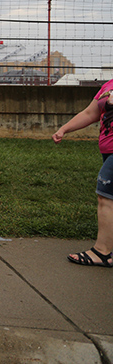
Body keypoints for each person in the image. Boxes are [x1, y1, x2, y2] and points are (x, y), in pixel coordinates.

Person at [52, 80, 113, 268]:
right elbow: (90, 113)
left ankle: (102, 252)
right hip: (108, 149)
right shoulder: (109, 85)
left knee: (106, 197)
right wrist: (64, 129)